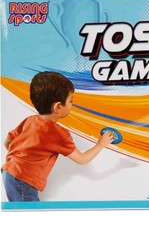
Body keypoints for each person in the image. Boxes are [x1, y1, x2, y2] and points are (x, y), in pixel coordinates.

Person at [1, 71, 114, 202]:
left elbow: (7, 142)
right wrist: (101, 144)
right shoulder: (58, 133)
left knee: (25, 209)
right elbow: (82, 159)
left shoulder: (30, 120)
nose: (72, 104)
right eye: (70, 101)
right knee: (28, 212)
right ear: (58, 107)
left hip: (9, 172)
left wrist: (20, 159)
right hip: (23, 180)